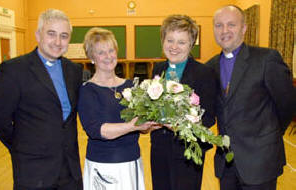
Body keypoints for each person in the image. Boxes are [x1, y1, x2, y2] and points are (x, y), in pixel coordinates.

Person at [0, 9, 83, 190]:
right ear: (38, 35)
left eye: (64, 36)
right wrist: (21, 146)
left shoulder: (74, 71)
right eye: (51, 34)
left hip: (70, 171)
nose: (57, 42)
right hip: (33, 171)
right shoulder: (14, 70)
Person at [206, 5, 296, 190]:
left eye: (231, 24)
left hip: (260, 161)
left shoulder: (266, 59)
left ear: (244, 28)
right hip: (227, 164)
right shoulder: (209, 67)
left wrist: (266, 135)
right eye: (219, 25)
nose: (224, 31)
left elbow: (288, 104)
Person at [78, 27, 155, 190]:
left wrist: (152, 123)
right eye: (101, 52)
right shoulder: (87, 90)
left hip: (131, 161)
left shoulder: (130, 86)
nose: (108, 56)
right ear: (92, 57)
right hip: (104, 166)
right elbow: (96, 130)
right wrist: (132, 126)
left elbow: (141, 126)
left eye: (111, 50)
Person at [150, 15, 217, 190]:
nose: (174, 47)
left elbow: (209, 117)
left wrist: (183, 125)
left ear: (192, 43)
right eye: (169, 40)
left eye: (181, 42)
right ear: (162, 40)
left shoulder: (204, 73)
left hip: (188, 153)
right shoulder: (158, 69)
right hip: (159, 150)